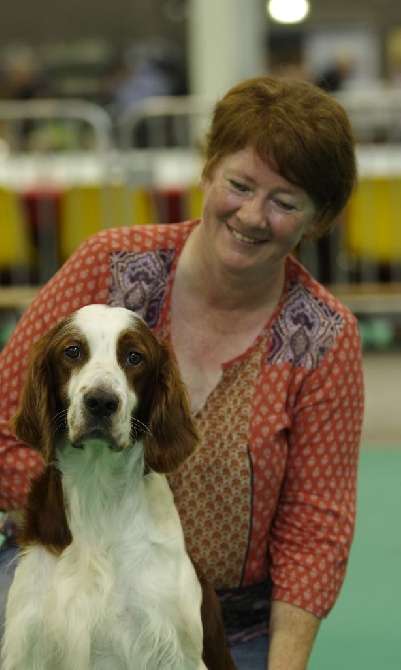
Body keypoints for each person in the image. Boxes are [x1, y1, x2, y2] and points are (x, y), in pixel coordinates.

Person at [0, 76, 364, 669]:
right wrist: (100, 508)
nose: (251, 214)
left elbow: (314, 533)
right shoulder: (107, 265)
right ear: (207, 172)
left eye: (285, 201)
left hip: (223, 620)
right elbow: (2, 425)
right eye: (240, 184)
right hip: (55, 558)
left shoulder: (326, 337)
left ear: (318, 220)